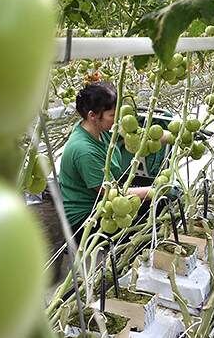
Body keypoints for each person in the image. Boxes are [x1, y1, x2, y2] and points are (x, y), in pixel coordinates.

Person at [59, 82, 152, 233]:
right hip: (87, 218)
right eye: (112, 115)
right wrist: (155, 191)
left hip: (106, 199)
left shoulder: (97, 129)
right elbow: (111, 195)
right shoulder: (84, 151)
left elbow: (136, 136)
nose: (117, 120)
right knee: (149, 219)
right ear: (92, 116)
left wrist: (175, 136)